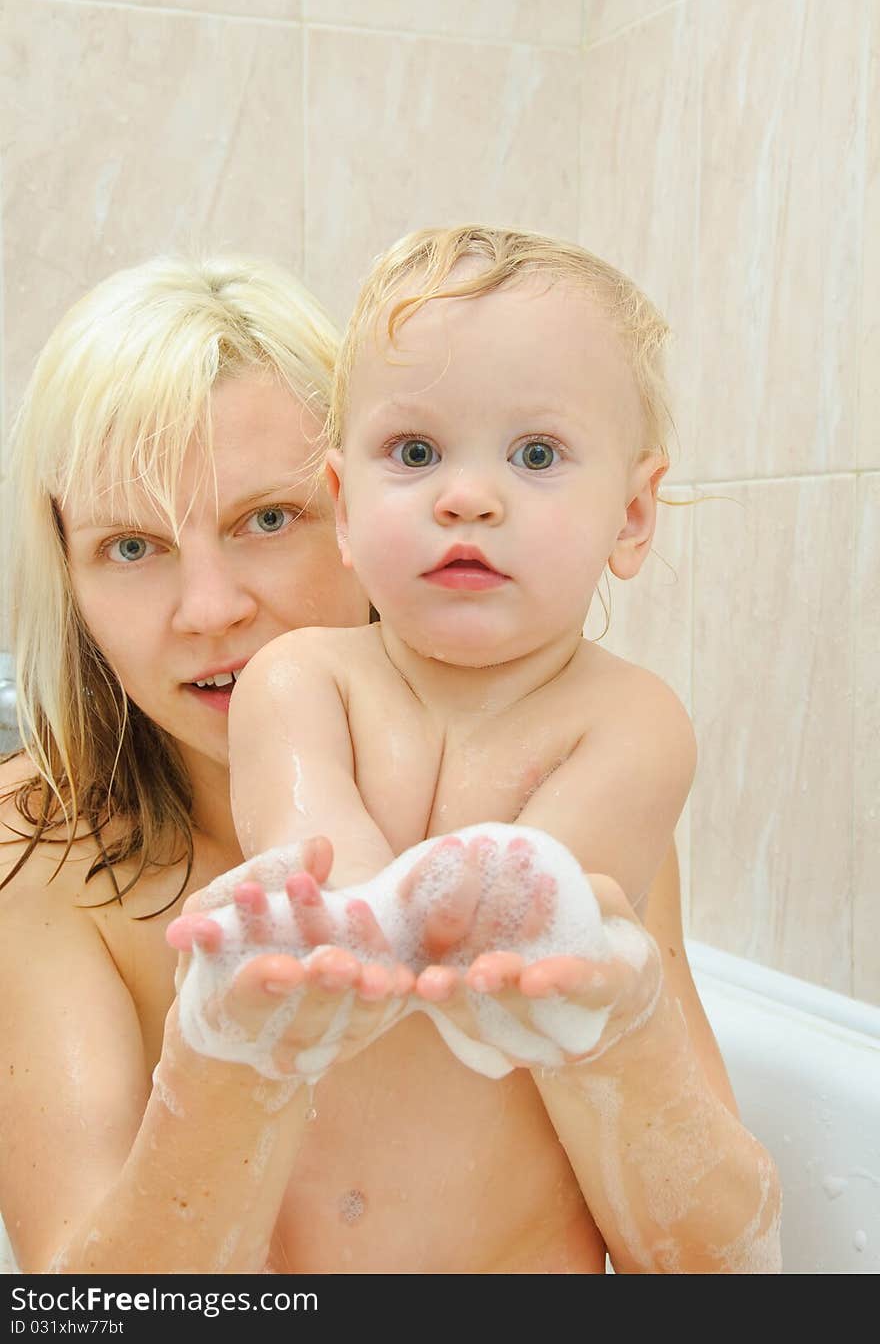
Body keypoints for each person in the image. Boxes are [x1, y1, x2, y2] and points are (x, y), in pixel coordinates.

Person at [0, 248, 780, 1278]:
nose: (209, 611)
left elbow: (713, 1267)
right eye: (131, 548)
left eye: (267, 521)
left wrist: (617, 1044)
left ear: (355, 514)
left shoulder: (563, 781)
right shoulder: (38, 851)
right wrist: (233, 1065)